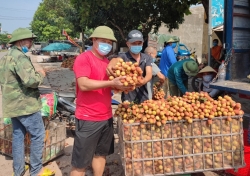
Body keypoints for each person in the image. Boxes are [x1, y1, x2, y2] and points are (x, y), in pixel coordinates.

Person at [70, 26, 129, 176]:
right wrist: (111, 84)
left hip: (106, 117)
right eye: (103, 41)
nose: (107, 45)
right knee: (80, 163)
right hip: (88, 118)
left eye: (109, 42)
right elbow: (83, 84)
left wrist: (123, 86)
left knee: (100, 155)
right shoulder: (84, 58)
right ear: (94, 40)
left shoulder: (106, 63)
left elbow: (109, 88)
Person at [0, 28, 47, 176]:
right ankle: (36, 171)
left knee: (18, 136)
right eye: (30, 40)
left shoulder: (6, 57)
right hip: (25, 105)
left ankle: (18, 171)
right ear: (21, 41)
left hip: (12, 104)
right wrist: (41, 74)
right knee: (38, 134)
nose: (32, 43)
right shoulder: (20, 57)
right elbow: (30, 81)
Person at [107, 30, 152, 103]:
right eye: (133, 43)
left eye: (139, 43)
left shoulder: (147, 58)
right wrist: (112, 63)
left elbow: (149, 73)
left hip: (144, 96)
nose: (137, 45)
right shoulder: (124, 57)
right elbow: (116, 59)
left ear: (142, 43)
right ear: (128, 44)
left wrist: (143, 81)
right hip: (128, 98)